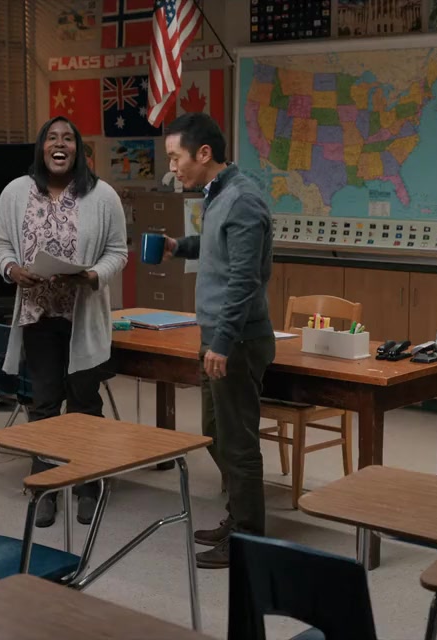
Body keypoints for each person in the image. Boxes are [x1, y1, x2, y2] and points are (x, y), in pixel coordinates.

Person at [0, 116, 129, 528]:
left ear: (78, 149)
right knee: (44, 404)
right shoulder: (15, 192)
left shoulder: (103, 195)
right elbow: (2, 246)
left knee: (84, 402)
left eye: (68, 138)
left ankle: (87, 484)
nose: (60, 144)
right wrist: (11, 269)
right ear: (41, 148)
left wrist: (91, 275)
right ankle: (46, 487)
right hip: (38, 315)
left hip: (83, 315)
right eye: (52, 137)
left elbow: (118, 252)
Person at [161, 112, 275, 569]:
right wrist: (179, 246)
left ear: (204, 153)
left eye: (176, 158)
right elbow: (216, 248)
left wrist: (223, 342)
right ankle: (239, 516)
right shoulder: (218, 195)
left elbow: (244, 280)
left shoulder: (243, 200)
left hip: (238, 340)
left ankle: (249, 537)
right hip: (218, 335)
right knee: (216, 435)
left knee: (239, 443)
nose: (173, 168)